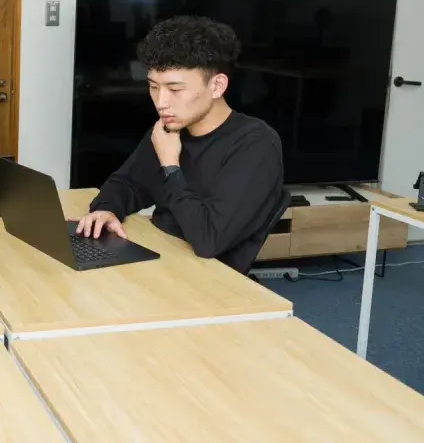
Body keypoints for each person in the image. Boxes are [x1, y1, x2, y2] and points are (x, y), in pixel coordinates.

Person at [74, 15, 285, 273]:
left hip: (207, 278)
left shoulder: (256, 145)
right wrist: (106, 210)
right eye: (153, 87)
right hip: (162, 257)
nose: (161, 102)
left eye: (174, 89)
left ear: (217, 86)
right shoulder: (170, 128)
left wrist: (170, 166)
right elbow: (127, 183)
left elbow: (208, 240)